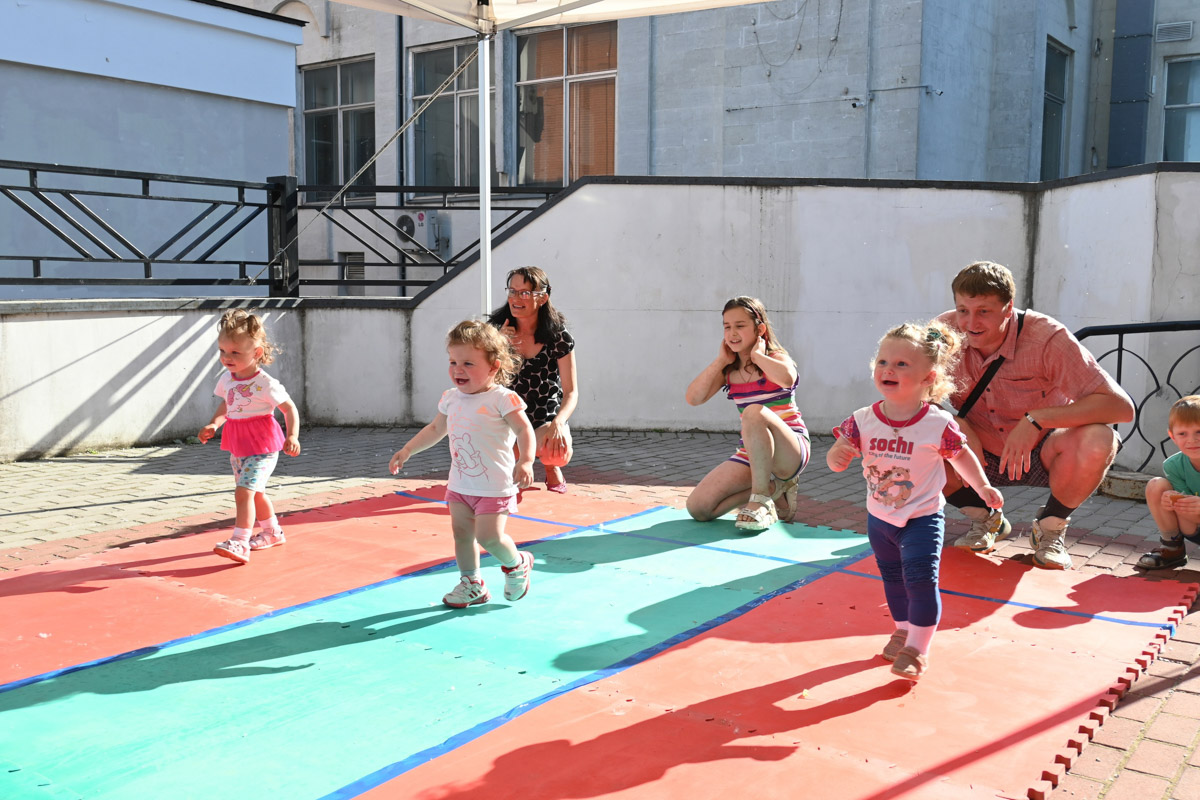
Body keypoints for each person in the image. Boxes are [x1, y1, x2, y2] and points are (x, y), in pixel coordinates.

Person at [827, 321, 1003, 681]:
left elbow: (962, 456)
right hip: (879, 519)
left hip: (921, 518)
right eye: (883, 362)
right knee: (892, 579)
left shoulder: (937, 424)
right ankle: (903, 628)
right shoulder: (862, 420)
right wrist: (838, 455)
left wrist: (982, 488)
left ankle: (917, 650)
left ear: (929, 377)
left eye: (901, 364)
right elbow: (834, 457)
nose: (888, 369)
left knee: (920, 580)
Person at [938, 261, 1134, 570]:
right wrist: (956, 427)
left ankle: (1051, 528)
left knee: (1101, 437)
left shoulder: (1047, 337)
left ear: (1008, 308)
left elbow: (1120, 408)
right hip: (978, 453)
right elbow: (910, 397)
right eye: (963, 310)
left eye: (984, 311)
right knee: (924, 432)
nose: (970, 323)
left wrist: (1036, 419)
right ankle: (985, 520)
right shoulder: (943, 334)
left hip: (1045, 450)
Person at [389, 319, 536, 608]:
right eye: (453, 361)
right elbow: (434, 430)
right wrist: (407, 450)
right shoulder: (451, 399)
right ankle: (472, 583)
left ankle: (516, 563)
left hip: (494, 486)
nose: (458, 369)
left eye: (469, 363)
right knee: (461, 534)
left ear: (493, 366)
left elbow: (524, 430)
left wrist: (526, 460)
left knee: (490, 538)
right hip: (460, 484)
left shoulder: (503, 399)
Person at [685, 296, 810, 532]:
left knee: (754, 412)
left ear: (759, 329)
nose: (732, 333)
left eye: (740, 326)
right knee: (699, 508)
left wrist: (758, 358)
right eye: (727, 327)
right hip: (753, 453)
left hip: (790, 449)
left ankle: (761, 502)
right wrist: (721, 361)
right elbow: (693, 398)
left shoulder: (775, 358)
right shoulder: (729, 372)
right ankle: (774, 490)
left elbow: (787, 378)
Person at [198, 310, 301, 565]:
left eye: (235, 353)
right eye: (222, 351)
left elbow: (289, 408)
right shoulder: (227, 379)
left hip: (263, 446)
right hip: (238, 445)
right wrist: (214, 423)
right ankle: (272, 532)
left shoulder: (265, 383)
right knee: (255, 494)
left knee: (243, 492)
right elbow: (227, 405)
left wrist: (293, 436)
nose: (226, 358)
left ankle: (240, 541)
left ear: (256, 353)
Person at [488, 267, 577, 494]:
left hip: (542, 414)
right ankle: (516, 462)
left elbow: (571, 391)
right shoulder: (495, 331)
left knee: (557, 451)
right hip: (507, 414)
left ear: (543, 297)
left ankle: (550, 467)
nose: (516, 298)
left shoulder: (558, 336)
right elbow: (482, 383)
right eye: (513, 291)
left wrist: (559, 422)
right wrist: (497, 346)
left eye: (525, 293)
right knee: (502, 465)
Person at [1136, 396, 1200, 570]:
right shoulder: (1173, 465)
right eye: (1182, 434)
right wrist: (1173, 500)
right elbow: (1184, 502)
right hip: (1194, 526)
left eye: (1199, 432)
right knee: (1157, 486)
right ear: (1172, 437)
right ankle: (1172, 548)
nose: (1192, 440)